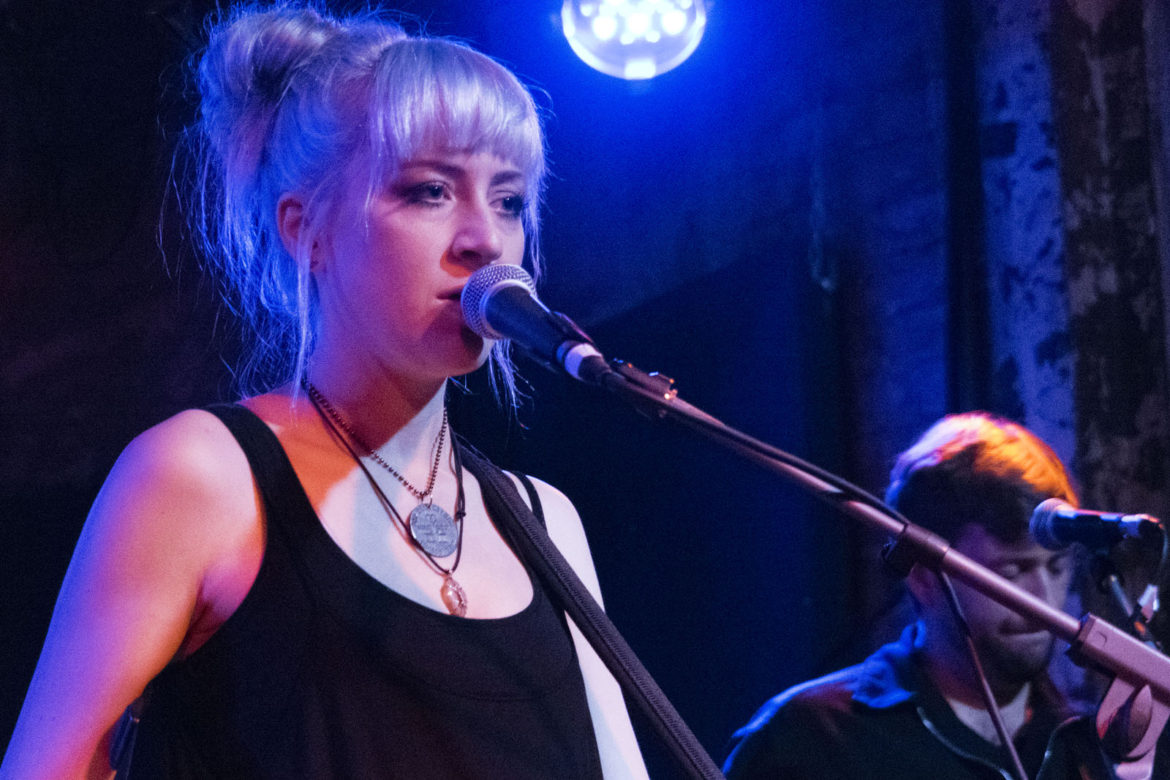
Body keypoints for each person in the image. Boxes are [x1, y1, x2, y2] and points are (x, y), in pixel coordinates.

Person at [1, 3, 646, 778]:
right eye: (429, 191)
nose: (484, 236)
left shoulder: (547, 524)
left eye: (508, 199)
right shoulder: (201, 477)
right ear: (305, 230)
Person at [723, 412, 1083, 779]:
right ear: (924, 577)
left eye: (1057, 568)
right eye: (1011, 572)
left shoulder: (1085, 744)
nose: (1044, 599)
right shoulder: (808, 736)